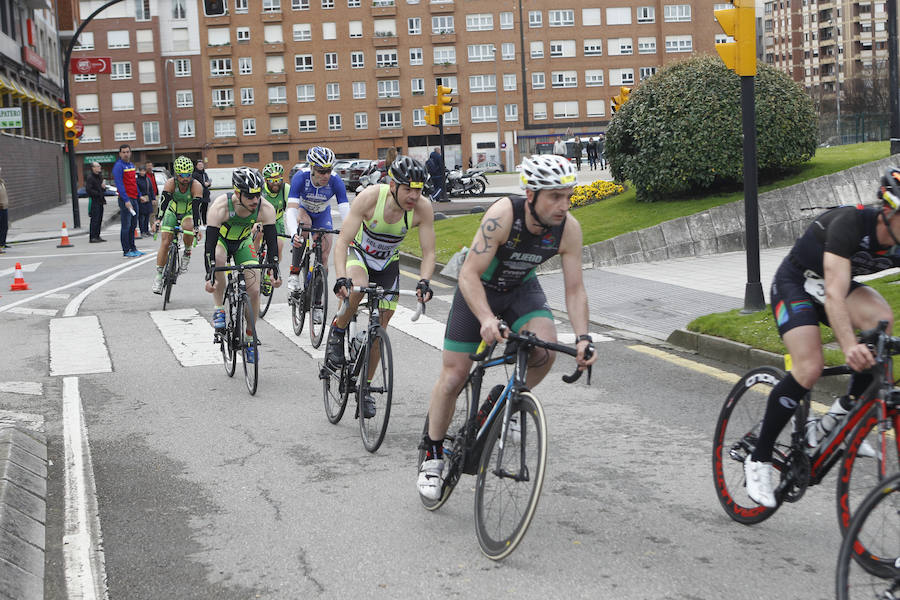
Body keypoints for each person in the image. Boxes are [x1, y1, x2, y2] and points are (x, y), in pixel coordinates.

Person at [416, 154, 598, 500]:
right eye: (555, 196)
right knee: (454, 376)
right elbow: (468, 274)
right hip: (479, 289)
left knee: (545, 348)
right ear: (531, 194)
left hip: (519, 290)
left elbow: (575, 290)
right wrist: (486, 318)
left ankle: (510, 403)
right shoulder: (503, 215)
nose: (564, 205)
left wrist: (584, 338)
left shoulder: (568, 229)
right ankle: (433, 453)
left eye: (568, 195)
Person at [743, 168, 900, 508]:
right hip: (796, 283)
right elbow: (834, 292)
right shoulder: (850, 224)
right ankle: (759, 458)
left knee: (882, 322)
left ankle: (840, 416)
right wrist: (849, 347)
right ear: (888, 210)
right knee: (810, 366)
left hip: (831, 288)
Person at [325, 156, 436, 418]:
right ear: (393, 185)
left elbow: (429, 252)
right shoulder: (370, 198)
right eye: (408, 188)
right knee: (357, 288)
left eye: (419, 189)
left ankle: (365, 386)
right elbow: (342, 242)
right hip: (359, 254)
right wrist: (341, 277)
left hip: (387, 264)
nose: (414, 195)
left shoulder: (422, 208)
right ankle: (338, 330)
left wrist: (425, 281)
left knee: (380, 328)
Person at [204, 167, 281, 364]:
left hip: (243, 242)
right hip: (221, 241)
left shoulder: (265, 209)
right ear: (237, 193)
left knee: (254, 289)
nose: (255, 200)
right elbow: (210, 246)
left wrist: (274, 269)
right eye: (249, 195)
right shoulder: (221, 207)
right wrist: (209, 273)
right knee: (219, 261)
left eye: (258, 194)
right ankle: (219, 308)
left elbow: (272, 245)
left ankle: (249, 336)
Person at [285, 147, 350, 324]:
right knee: (303, 227)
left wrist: (350, 233)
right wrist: (293, 235)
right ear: (312, 168)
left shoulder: (335, 180)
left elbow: (345, 209)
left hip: (323, 214)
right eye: (321, 171)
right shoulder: (301, 177)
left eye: (329, 170)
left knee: (324, 259)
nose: (325, 175)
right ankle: (294, 273)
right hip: (304, 211)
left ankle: (317, 304)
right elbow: (290, 210)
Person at [151, 156, 203, 294]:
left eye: (188, 175)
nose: (186, 178)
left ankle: (187, 252)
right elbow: (163, 204)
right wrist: (158, 220)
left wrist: (197, 228)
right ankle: (159, 276)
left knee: (188, 228)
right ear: (176, 174)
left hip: (188, 212)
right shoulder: (170, 183)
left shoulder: (196, 186)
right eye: (182, 175)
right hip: (172, 211)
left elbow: (197, 210)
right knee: (165, 242)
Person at [256, 162, 290, 293]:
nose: (276, 183)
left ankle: (268, 274)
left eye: (278, 179)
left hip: (277, 220)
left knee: (279, 246)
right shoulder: (261, 189)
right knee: (256, 233)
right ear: (265, 180)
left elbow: (293, 208)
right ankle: (253, 262)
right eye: (272, 180)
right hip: (261, 219)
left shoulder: (286, 188)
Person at [112, 144, 143, 257]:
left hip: (134, 198)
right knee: (126, 225)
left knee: (134, 224)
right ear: (120, 154)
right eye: (123, 152)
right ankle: (126, 250)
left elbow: (133, 183)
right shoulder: (118, 166)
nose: (126, 154)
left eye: (127, 152)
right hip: (126, 200)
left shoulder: (130, 165)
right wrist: (126, 200)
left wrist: (139, 195)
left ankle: (133, 247)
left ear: (130, 153)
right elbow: (119, 184)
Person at [85, 162, 107, 243]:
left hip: (100, 200)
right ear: (93, 168)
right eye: (97, 166)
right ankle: (92, 237)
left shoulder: (100, 177)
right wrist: (98, 194)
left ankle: (97, 235)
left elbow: (102, 188)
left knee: (99, 219)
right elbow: (88, 190)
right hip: (94, 200)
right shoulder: (90, 178)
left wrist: (103, 188)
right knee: (95, 219)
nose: (99, 168)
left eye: (99, 166)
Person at [136, 166, 155, 237]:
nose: (142, 172)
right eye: (141, 171)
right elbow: (137, 190)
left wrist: (153, 198)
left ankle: (147, 230)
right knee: (141, 216)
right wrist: (140, 196)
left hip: (148, 198)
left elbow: (151, 189)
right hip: (141, 199)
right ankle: (142, 231)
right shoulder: (137, 180)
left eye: (143, 171)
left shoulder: (148, 179)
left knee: (147, 215)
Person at [193, 160, 212, 227]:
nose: (201, 166)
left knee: (204, 209)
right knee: (197, 210)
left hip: (205, 194)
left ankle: (204, 223)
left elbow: (207, 183)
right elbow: (201, 183)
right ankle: (198, 223)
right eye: (199, 165)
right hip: (198, 194)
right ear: (196, 166)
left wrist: (208, 184)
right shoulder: (195, 174)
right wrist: (205, 184)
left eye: (202, 165)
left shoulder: (204, 174)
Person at [0, 167, 7, 252]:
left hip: (4, 207)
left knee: (4, 227)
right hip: (0, 207)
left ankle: (3, 243)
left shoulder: (1, 182)